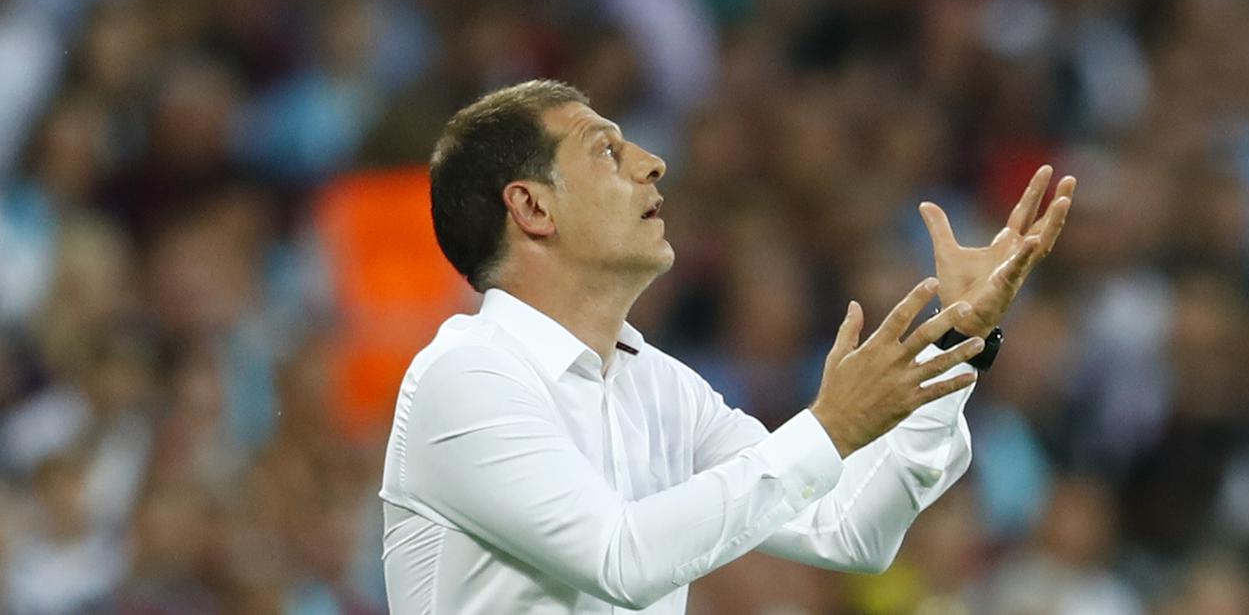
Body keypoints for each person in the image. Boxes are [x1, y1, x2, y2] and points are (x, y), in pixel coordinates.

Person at [379, 80, 1074, 614]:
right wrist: (830, 426)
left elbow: (848, 528)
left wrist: (956, 337)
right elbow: (620, 557)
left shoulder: (660, 386)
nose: (652, 163)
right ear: (532, 207)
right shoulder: (465, 376)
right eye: (606, 150)